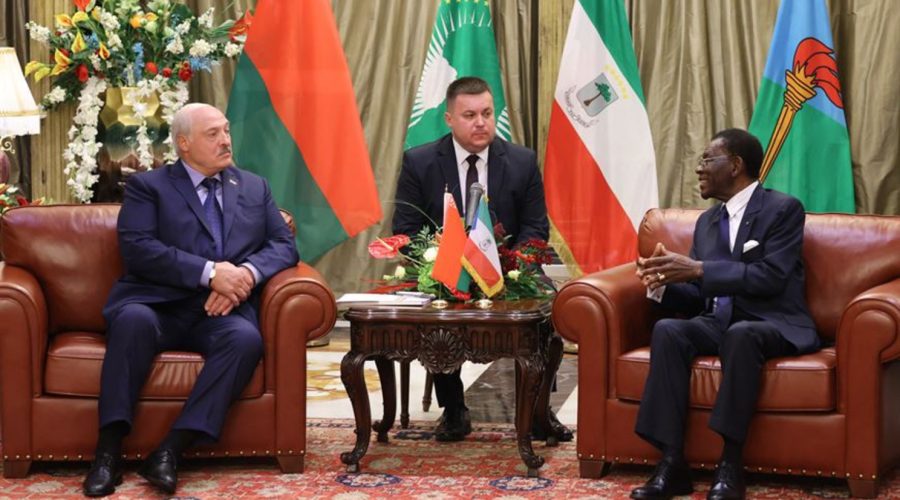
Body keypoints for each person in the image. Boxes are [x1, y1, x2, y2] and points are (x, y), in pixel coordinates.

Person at [82, 103, 299, 497]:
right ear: (183, 144)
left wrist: (244, 276)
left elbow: (283, 246)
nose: (225, 140)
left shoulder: (254, 187)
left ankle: (170, 451)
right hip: (155, 304)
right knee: (132, 322)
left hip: (220, 311)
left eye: (226, 130)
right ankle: (107, 453)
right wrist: (212, 274)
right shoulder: (149, 187)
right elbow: (139, 249)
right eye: (213, 134)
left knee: (245, 339)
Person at [630, 128, 819, 500]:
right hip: (718, 320)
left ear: (735, 165)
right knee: (669, 330)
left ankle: (730, 462)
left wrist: (699, 269)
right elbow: (699, 293)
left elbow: (771, 276)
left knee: (741, 333)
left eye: (707, 159)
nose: (699, 168)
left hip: (771, 321)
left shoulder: (783, 210)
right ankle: (672, 462)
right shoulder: (707, 222)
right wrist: (660, 284)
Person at [393, 76, 567, 443]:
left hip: (509, 270)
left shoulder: (521, 161)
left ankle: (538, 409)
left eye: (487, 113)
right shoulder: (420, 162)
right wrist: (439, 263)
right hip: (443, 272)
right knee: (439, 303)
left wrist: (513, 266)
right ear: (449, 119)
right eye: (469, 115)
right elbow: (405, 232)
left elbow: (535, 228)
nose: (480, 123)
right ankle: (454, 409)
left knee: (549, 306)